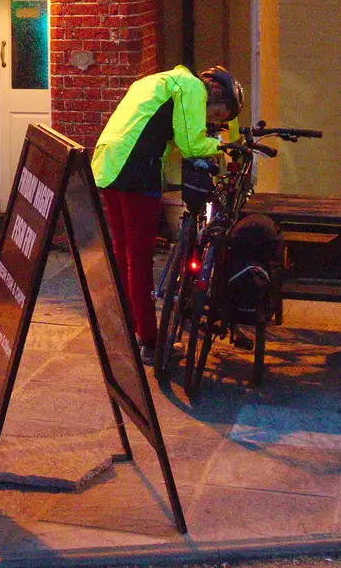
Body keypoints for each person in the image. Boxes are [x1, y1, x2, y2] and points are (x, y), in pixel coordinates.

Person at [91, 65, 243, 362]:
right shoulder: (192, 88)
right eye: (217, 115)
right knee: (140, 257)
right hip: (136, 171)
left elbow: (162, 129)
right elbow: (191, 144)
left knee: (122, 254)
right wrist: (224, 146)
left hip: (108, 164)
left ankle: (122, 327)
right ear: (215, 93)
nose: (212, 120)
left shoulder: (160, 80)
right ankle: (149, 339)